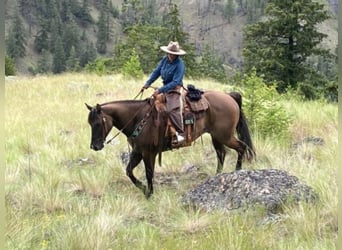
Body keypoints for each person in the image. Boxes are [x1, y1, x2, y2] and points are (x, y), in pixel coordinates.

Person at [141, 41, 186, 144]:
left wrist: (160, 90)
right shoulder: (164, 60)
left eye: (173, 54)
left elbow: (176, 82)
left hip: (175, 89)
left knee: (172, 110)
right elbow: (156, 71)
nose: (171, 55)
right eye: (170, 53)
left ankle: (180, 133)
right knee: (152, 104)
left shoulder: (180, 65)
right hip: (165, 88)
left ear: (176, 55)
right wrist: (148, 83)